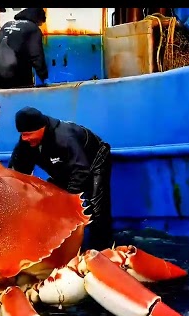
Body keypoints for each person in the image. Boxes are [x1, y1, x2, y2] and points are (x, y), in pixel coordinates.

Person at [8, 106, 114, 251]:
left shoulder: (64, 138)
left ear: (42, 128)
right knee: (49, 201)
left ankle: (102, 251)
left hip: (93, 161)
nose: (24, 138)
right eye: (22, 135)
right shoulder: (26, 142)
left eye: (28, 134)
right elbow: (18, 172)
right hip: (63, 167)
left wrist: (68, 199)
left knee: (95, 207)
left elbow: (81, 170)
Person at [0, 8, 51, 89]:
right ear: (38, 19)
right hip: (14, 75)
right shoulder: (33, 28)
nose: (40, 25)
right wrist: (44, 77)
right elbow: (36, 56)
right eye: (40, 23)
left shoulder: (7, 24)